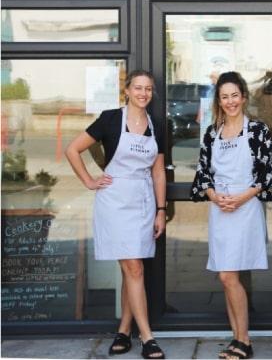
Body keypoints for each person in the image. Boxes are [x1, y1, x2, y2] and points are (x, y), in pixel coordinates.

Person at [65, 70, 166, 359]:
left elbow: (158, 172)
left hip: (144, 200)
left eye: (148, 89)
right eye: (138, 88)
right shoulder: (110, 118)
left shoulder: (155, 124)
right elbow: (73, 149)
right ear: (127, 90)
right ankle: (147, 337)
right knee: (134, 267)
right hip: (115, 201)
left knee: (130, 269)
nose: (143, 93)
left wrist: (161, 210)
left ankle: (123, 330)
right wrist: (88, 181)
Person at [190, 71, 272, 360]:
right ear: (219, 100)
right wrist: (215, 196)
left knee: (229, 275)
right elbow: (202, 173)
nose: (230, 101)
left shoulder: (257, 131)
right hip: (221, 209)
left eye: (235, 95)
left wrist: (240, 198)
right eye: (224, 97)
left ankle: (244, 340)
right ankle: (237, 338)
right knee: (226, 276)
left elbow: (267, 175)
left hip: (245, 207)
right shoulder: (212, 132)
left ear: (244, 96)